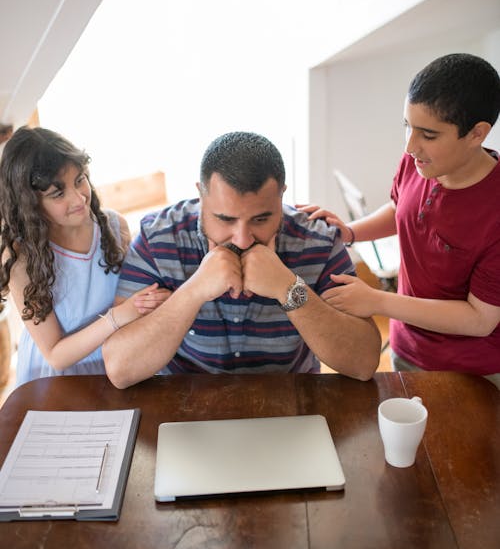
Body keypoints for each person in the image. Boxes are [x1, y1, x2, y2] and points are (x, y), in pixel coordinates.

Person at [103, 131, 381, 388]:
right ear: (201, 195)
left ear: (281, 195)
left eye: (261, 219)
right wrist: (194, 291)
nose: (242, 239)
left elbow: (363, 363)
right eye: (225, 219)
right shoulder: (158, 237)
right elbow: (119, 369)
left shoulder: (318, 239)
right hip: (186, 402)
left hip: (291, 399)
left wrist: (288, 288)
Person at [299, 53, 500, 388]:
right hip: (406, 348)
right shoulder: (420, 163)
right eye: (407, 126)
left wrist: (379, 301)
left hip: (470, 374)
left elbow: (480, 319)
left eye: (428, 135)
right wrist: (350, 233)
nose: (410, 146)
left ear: (478, 133)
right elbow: (400, 208)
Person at [0, 126, 166, 385]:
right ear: (30, 203)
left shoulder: (113, 227)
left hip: (114, 363)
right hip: (57, 381)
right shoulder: (22, 260)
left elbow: (132, 296)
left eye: (79, 180)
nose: (78, 199)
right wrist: (119, 316)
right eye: (58, 193)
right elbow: (56, 355)